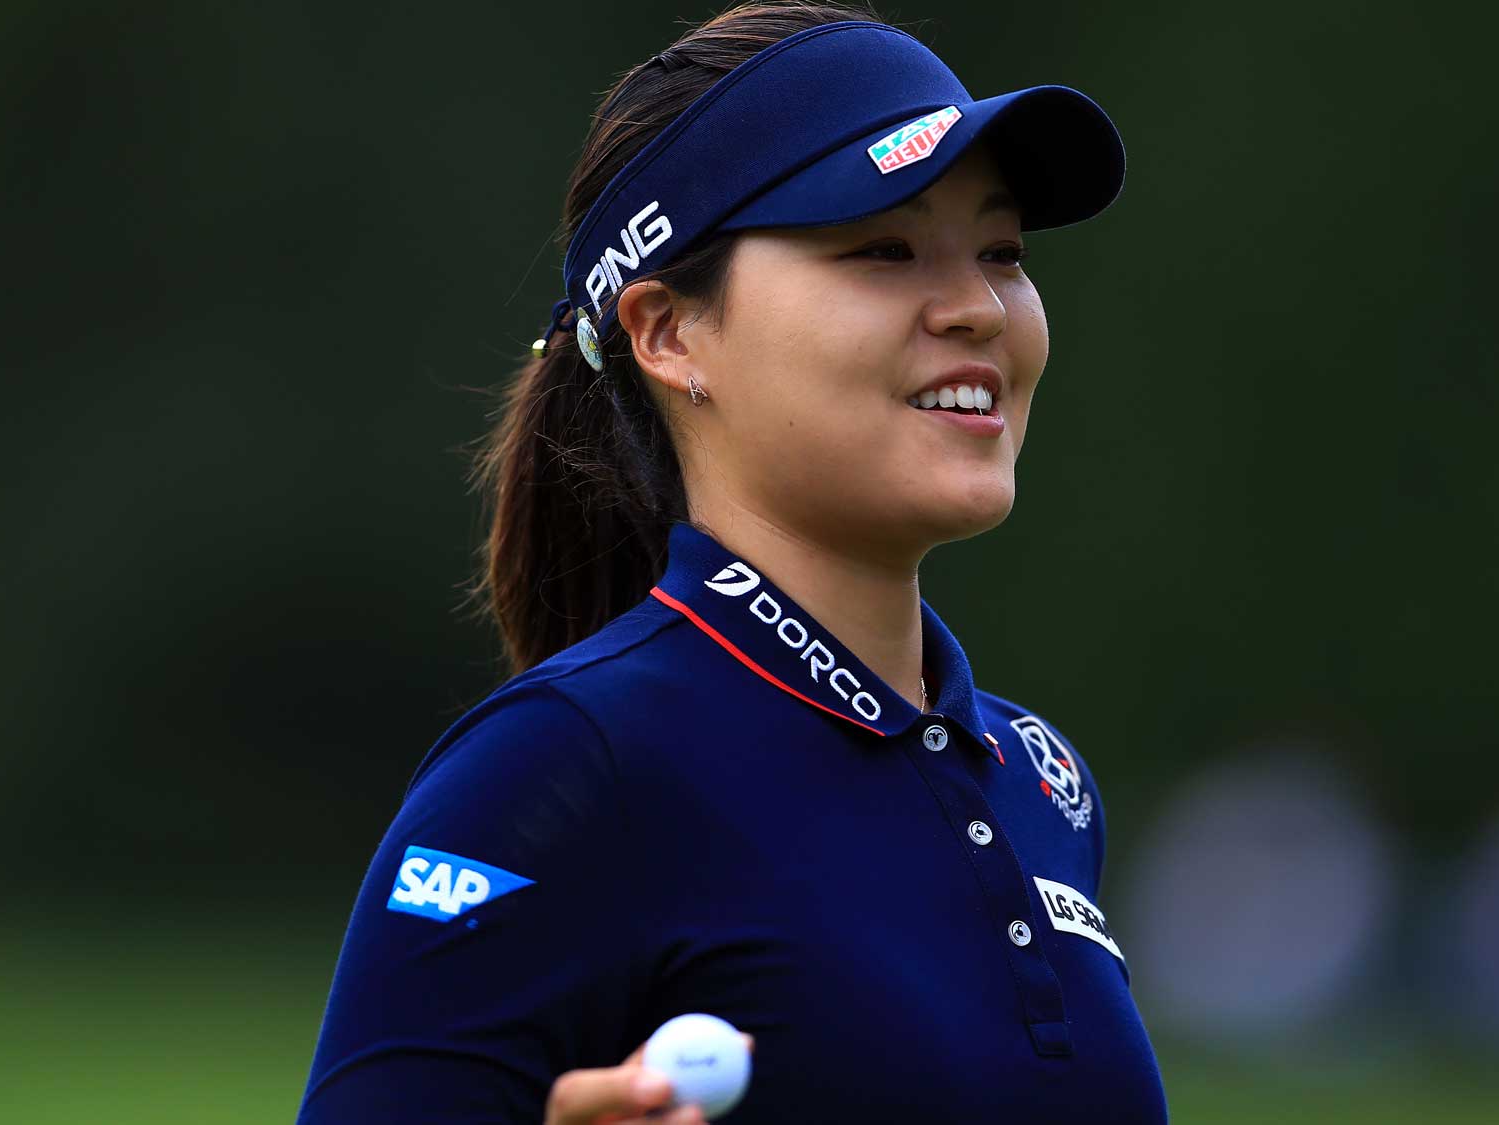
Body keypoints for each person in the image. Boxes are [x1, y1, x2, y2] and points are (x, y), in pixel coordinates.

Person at [297, 4, 1166, 1122]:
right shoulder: (557, 772)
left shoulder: (1043, 782)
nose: (974, 307)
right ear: (667, 334)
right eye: (883, 248)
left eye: (1000, 251)